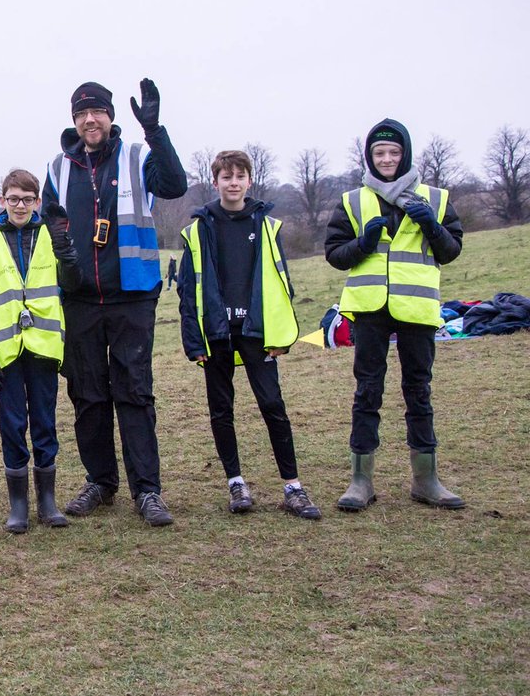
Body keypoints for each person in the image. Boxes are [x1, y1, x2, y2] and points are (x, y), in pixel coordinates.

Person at [41, 80, 187, 526]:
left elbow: (176, 186)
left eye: (98, 113)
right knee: (86, 395)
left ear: (110, 117)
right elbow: (49, 226)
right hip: (80, 300)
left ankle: (147, 491)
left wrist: (155, 131)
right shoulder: (57, 169)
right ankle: (101, 481)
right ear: (74, 121)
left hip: (132, 296)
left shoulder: (137, 157)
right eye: (82, 115)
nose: (90, 121)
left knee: (134, 392)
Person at [325, 118, 465, 512]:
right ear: (369, 157)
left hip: (417, 310)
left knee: (418, 391)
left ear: (405, 154)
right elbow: (335, 255)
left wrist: (432, 226)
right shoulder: (353, 200)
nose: (386, 159)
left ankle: (426, 480)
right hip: (370, 310)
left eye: (394, 152)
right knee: (367, 392)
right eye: (379, 153)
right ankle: (360, 481)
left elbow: (451, 251)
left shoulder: (435, 199)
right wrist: (363, 242)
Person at [178, 150, 321, 519]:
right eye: (226, 177)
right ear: (216, 182)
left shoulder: (268, 226)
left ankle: (293, 487)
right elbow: (187, 291)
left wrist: (282, 334)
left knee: (272, 405)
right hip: (216, 333)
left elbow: (280, 282)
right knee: (221, 410)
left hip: (258, 332)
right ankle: (236, 484)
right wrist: (194, 341)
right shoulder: (198, 230)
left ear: (249, 180)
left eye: (240, 176)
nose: (234, 182)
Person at [0, 169, 78, 533]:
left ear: (37, 202)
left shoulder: (52, 235)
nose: (20, 205)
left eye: (28, 199)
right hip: (6, 350)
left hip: (45, 347)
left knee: (45, 423)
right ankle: (18, 504)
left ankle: (47, 501)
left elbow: (73, 285)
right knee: (13, 425)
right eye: (13, 198)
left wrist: (68, 252)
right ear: (2, 200)